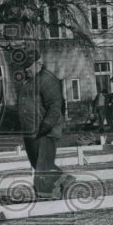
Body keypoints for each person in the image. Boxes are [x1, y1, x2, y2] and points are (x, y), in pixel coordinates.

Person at [13, 42, 75, 200]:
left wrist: (46, 126)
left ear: (38, 64)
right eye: (25, 67)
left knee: (43, 166)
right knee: (38, 165)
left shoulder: (47, 80)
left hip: (44, 130)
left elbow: (55, 106)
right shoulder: (29, 82)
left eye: (29, 67)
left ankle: (58, 186)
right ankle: (57, 188)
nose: (26, 70)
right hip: (30, 131)